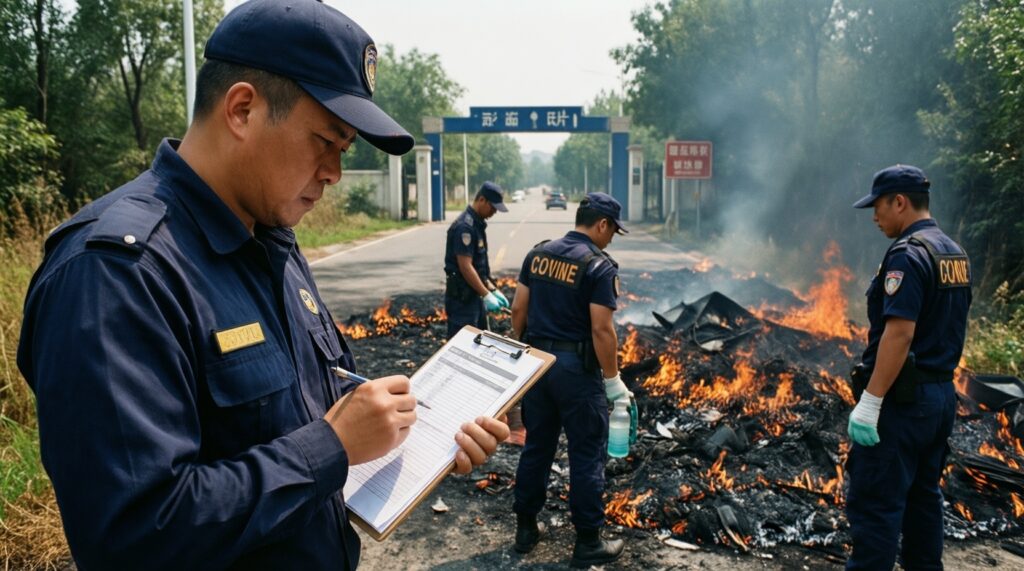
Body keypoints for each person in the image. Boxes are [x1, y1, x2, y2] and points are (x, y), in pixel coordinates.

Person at [16, 1, 509, 569]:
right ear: (243, 109)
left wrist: (422, 436)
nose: (334, 173)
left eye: (344, 150)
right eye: (325, 141)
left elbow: (306, 408)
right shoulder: (116, 274)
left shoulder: (272, 238)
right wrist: (333, 446)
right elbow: (134, 535)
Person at [845, 164, 972, 570]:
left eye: (879, 206)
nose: (875, 216)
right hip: (939, 399)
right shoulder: (952, 252)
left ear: (900, 201)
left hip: (903, 405)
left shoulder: (907, 255)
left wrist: (871, 401)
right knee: (923, 503)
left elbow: (899, 334)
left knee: (877, 509)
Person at [509, 192, 628, 568]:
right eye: (612, 231)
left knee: (538, 447)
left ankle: (526, 530)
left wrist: (523, 351)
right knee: (587, 453)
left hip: (537, 364)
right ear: (602, 224)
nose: (611, 239)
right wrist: (613, 381)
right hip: (576, 370)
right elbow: (602, 331)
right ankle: (588, 541)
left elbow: (518, 310)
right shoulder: (599, 266)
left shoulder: (538, 254)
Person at [443, 181, 510, 339]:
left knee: (478, 343)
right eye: (493, 207)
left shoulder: (477, 225)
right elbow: (465, 267)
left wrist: (493, 289)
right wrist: (486, 294)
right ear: (481, 200)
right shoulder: (464, 228)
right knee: (461, 347)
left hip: (474, 297)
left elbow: (479, 268)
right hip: (461, 300)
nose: (494, 212)